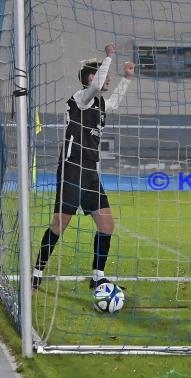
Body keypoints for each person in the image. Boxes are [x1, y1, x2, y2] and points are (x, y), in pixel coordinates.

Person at [32, 43, 135, 290]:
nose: (107, 79)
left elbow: (115, 102)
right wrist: (109, 56)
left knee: (107, 225)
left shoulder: (99, 103)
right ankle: (36, 271)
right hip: (72, 168)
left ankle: (98, 276)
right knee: (60, 224)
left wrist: (127, 78)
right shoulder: (81, 98)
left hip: (90, 171)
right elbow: (98, 86)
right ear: (91, 77)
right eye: (103, 73)